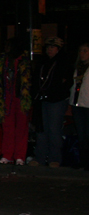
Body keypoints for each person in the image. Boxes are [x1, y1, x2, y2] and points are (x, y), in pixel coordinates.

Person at [32, 37, 71, 167]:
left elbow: (66, 83)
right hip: (42, 99)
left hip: (56, 100)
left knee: (54, 129)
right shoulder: (42, 62)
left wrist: (56, 92)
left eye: (53, 47)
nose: (50, 49)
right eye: (48, 47)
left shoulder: (63, 62)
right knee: (41, 129)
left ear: (58, 49)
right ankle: (40, 157)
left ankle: (55, 158)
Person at [0, 38, 32, 165]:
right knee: (7, 127)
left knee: (21, 127)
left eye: (8, 46)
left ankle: (20, 156)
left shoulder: (24, 61)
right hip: (7, 98)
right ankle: (7, 154)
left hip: (21, 98)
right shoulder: (3, 61)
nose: (6, 48)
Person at [71, 42, 89, 170]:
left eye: (85, 51)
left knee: (87, 134)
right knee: (81, 134)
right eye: (80, 51)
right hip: (77, 104)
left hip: (87, 104)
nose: (82, 54)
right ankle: (83, 161)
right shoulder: (77, 68)